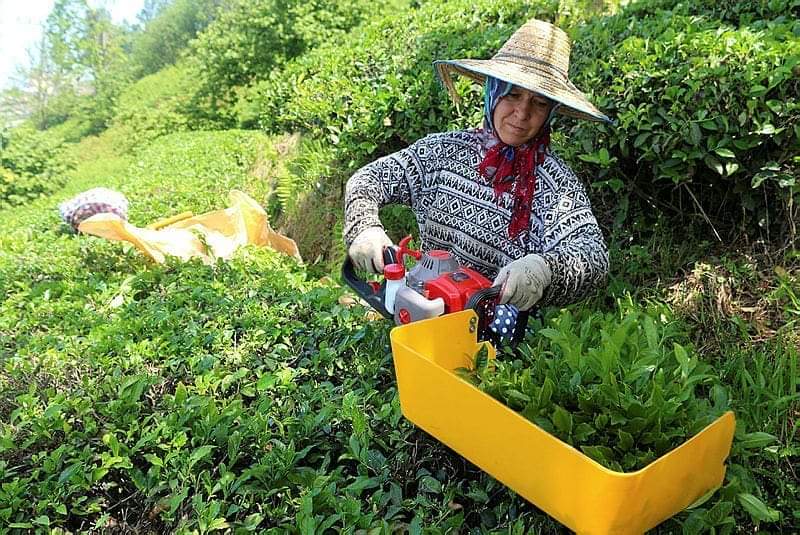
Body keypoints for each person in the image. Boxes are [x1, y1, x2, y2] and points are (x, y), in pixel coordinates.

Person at [344, 19, 610, 313]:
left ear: (551, 111)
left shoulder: (554, 183)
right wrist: (363, 227)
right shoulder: (444, 152)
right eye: (512, 94)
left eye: (539, 103)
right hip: (423, 316)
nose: (522, 113)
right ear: (493, 92)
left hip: (503, 345)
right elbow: (369, 179)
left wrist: (544, 269)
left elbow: (592, 254)